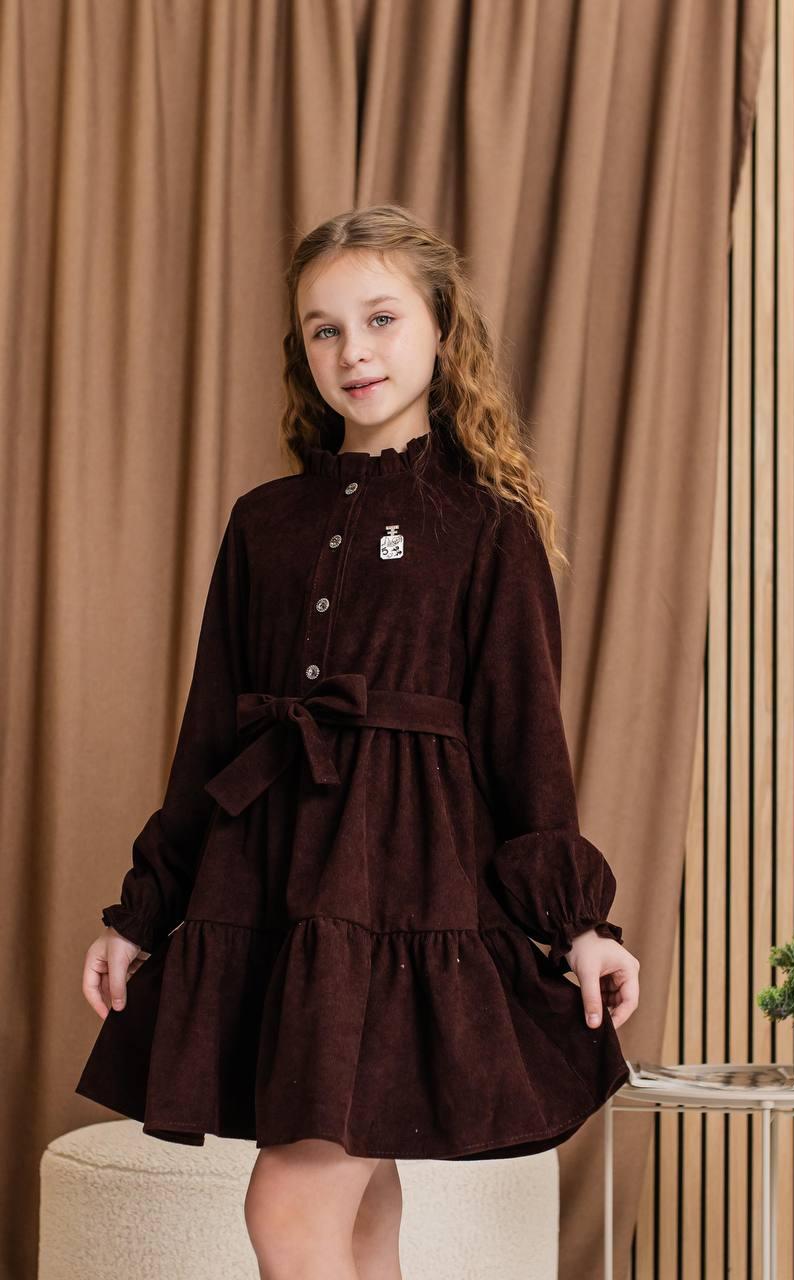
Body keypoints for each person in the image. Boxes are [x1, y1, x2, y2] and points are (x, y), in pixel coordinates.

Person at [76, 203, 640, 1280]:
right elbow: (208, 740)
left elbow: (524, 737)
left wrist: (576, 924)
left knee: (292, 1206)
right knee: (358, 1209)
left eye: (381, 318)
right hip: (273, 884)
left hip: (403, 893)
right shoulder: (263, 522)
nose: (354, 351)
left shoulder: (486, 528)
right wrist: (141, 914)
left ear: (440, 328)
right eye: (324, 329)